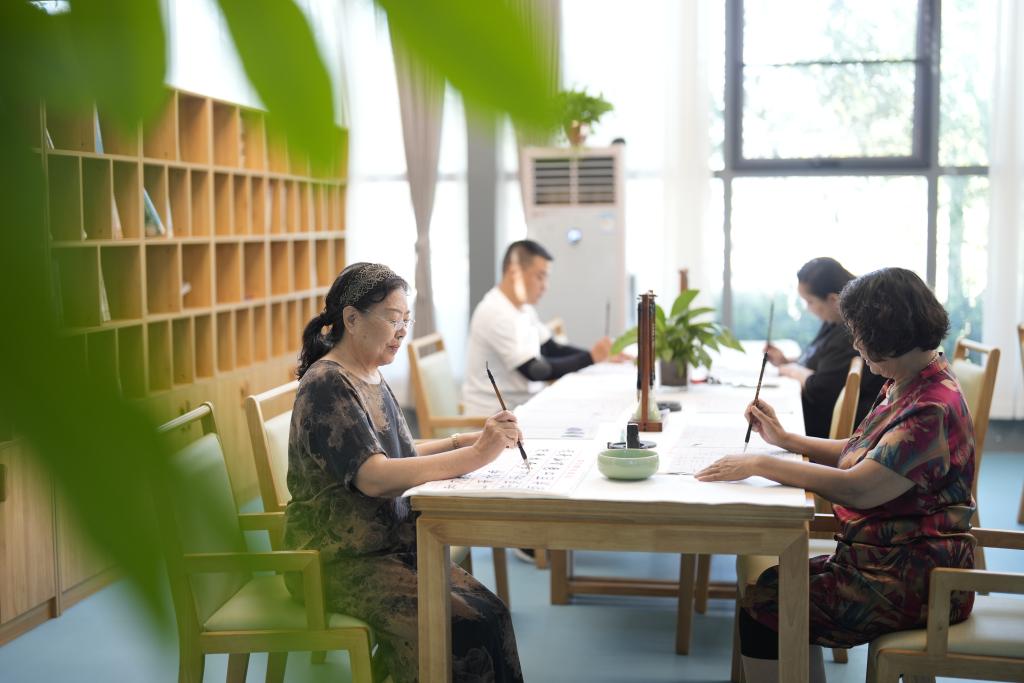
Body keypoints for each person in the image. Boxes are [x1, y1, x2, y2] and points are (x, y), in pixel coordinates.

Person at [697, 267, 976, 683]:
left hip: (914, 577)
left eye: (859, 333)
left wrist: (761, 463)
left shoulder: (928, 407)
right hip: (890, 557)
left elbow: (859, 488)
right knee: (773, 587)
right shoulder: (912, 377)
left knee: (769, 607)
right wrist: (787, 439)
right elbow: (864, 452)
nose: (857, 344)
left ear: (886, 334)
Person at [284, 262, 524, 683]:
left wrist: (460, 442)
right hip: (337, 562)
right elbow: (374, 476)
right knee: (466, 626)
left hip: (390, 547)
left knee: (493, 614)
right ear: (352, 319)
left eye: (405, 320)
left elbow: (400, 453)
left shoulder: (369, 374)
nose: (402, 330)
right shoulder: (328, 384)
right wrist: (475, 457)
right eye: (393, 319)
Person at [462, 239, 615, 417]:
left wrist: (600, 355)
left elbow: (552, 348)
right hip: (492, 419)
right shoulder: (496, 313)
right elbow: (535, 371)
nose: (545, 286)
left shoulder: (523, 308)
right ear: (515, 273)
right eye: (540, 276)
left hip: (521, 407)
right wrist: (591, 357)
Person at [765, 257, 885, 438]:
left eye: (810, 302)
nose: (808, 309)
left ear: (833, 300)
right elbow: (820, 360)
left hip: (821, 428)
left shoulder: (850, 334)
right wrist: (787, 361)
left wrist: (790, 369)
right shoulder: (834, 320)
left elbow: (821, 387)